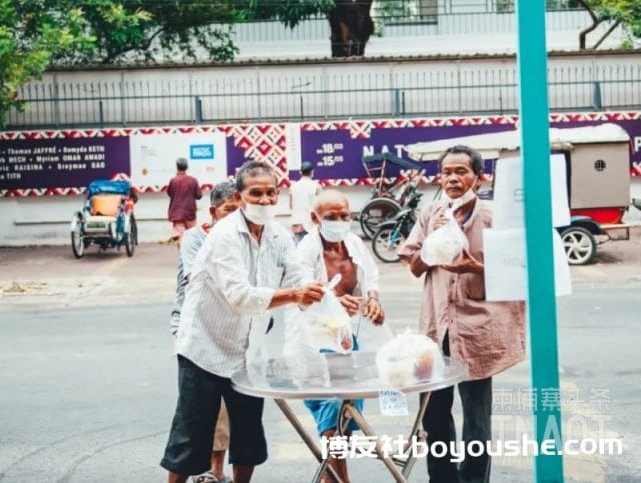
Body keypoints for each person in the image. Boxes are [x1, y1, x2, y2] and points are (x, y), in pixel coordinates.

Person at [161, 161, 324, 483]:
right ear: (239, 197)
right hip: (203, 348)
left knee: (248, 437)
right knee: (190, 439)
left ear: (279, 195)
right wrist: (296, 294)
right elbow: (240, 296)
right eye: (256, 193)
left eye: (270, 193)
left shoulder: (278, 236)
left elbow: (299, 276)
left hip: (248, 351)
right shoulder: (224, 234)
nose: (264, 200)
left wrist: (326, 299)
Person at [396, 145, 526, 483]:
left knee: (477, 421)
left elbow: (518, 271)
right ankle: (442, 479)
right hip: (436, 330)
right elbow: (414, 265)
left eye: (461, 172)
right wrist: (432, 241)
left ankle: (473, 480)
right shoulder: (430, 213)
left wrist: (474, 266)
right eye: (446, 173)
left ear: (478, 179)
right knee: (434, 415)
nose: (453, 178)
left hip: (478, 330)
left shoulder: (494, 218)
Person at [285, 189, 385, 483]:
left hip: (344, 341)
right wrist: (331, 301)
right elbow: (303, 290)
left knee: (349, 408)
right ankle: (341, 480)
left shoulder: (354, 243)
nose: (340, 221)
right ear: (315, 219)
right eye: (331, 216)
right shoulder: (305, 250)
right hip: (312, 343)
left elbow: (371, 276)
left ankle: (331, 478)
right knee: (330, 406)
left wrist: (374, 300)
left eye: (345, 215)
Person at [171, 181, 239, 483]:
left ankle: (216, 472)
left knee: (224, 408)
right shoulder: (195, 239)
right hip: (195, 333)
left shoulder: (243, 239)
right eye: (229, 211)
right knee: (194, 411)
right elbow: (201, 279)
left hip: (230, 332)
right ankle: (197, 472)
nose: (235, 217)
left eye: (240, 211)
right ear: (213, 212)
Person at [166, 158, 202, 244]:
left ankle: (182, 255)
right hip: (190, 213)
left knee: (180, 238)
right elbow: (199, 196)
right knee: (192, 237)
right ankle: (190, 256)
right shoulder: (193, 180)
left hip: (177, 213)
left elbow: (170, 194)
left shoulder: (173, 180)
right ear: (187, 167)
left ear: (176, 167)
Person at [289, 161, 321, 243]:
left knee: (298, 250)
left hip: (297, 223)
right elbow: (321, 204)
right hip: (311, 223)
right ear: (312, 172)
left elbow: (291, 206)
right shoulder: (316, 186)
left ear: (300, 172)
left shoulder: (293, 186)